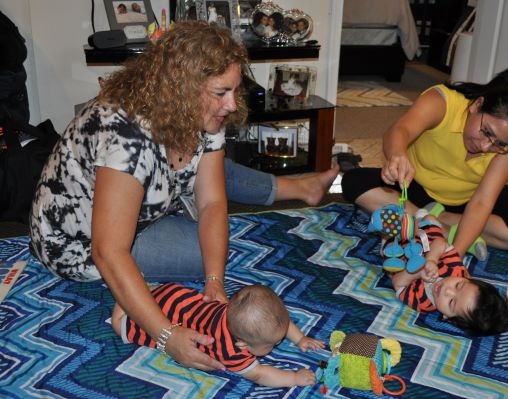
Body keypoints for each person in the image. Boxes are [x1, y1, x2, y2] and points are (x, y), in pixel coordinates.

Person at [29, 21, 338, 372]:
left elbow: (212, 204)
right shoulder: (127, 134)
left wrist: (215, 282)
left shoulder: (200, 116)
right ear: (183, 89)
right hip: (76, 242)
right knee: (196, 251)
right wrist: (166, 336)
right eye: (221, 92)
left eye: (234, 91)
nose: (231, 104)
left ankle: (297, 188)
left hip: (146, 209)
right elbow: (108, 250)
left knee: (211, 247)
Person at [342, 68, 508, 259]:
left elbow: (482, 202)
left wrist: (453, 256)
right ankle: (435, 221)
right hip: (417, 189)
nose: (484, 146)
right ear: (477, 105)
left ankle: (437, 220)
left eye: (499, 144)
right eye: (487, 132)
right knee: (354, 181)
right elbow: (399, 130)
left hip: (471, 200)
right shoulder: (441, 101)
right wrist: (397, 155)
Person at [113, 283, 324, 386]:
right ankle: (125, 299)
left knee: (190, 305)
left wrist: (300, 338)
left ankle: (142, 291)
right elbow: (260, 374)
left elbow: (280, 322)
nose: (277, 344)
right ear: (242, 345)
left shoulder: (235, 311)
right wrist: (294, 378)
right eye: (272, 344)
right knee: (120, 326)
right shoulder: (230, 351)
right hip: (167, 316)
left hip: (175, 296)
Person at [383, 211, 508, 336]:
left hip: (398, 251)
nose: (447, 291)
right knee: (430, 218)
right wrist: (431, 260)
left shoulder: (423, 303)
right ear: (467, 278)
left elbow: (397, 283)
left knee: (387, 237)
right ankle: (438, 219)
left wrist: (416, 272)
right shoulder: (456, 270)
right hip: (426, 239)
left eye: (451, 302)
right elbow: (440, 244)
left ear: (447, 318)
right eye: (458, 285)